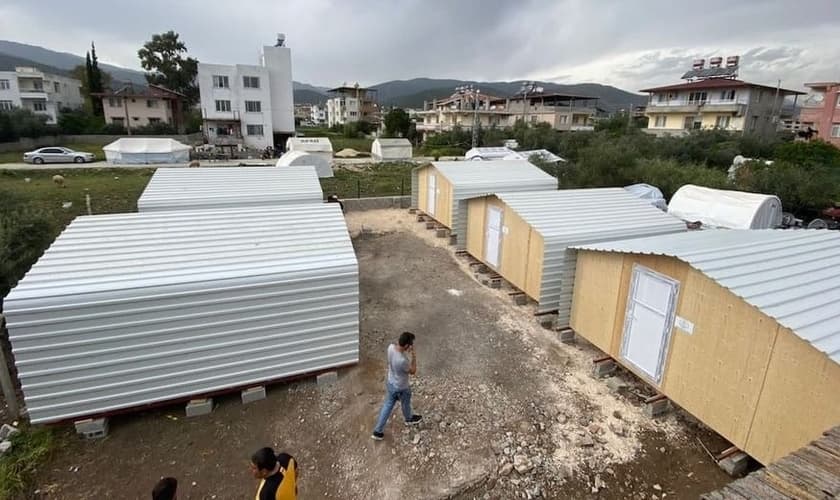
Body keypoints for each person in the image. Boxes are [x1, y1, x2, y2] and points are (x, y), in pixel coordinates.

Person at [372, 331, 423, 440]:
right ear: (406, 345)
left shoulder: (390, 348)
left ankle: (378, 431)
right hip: (401, 387)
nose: (411, 346)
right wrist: (413, 357)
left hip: (391, 382)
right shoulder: (402, 360)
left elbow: (397, 347)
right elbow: (413, 371)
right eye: (410, 344)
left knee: (387, 406)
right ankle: (409, 419)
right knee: (405, 402)